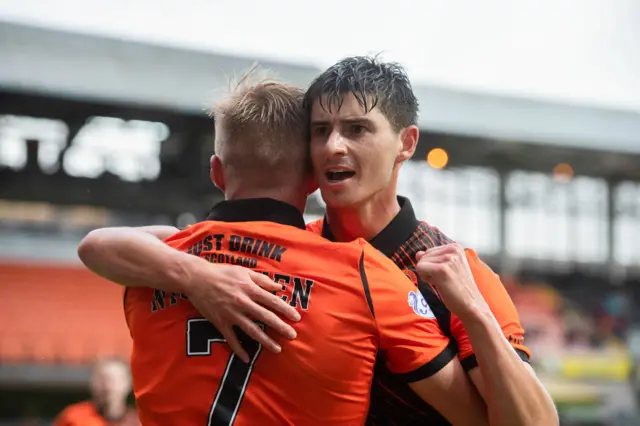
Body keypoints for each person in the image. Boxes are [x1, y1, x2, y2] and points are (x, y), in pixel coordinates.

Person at [78, 74, 487, 425]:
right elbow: (475, 417)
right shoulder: (366, 273)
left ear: (217, 172)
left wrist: (193, 272)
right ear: (313, 178)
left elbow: (97, 244)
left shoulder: (149, 268)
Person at [302, 55, 558, 426]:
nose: (333, 146)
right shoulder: (289, 249)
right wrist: (189, 271)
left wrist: (473, 310)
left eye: (357, 129)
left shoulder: (459, 273)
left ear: (406, 143)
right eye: (320, 130)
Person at [54, 358, 139, 426]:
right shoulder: (72, 419)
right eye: (103, 379)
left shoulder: (138, 423)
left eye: (115, 380)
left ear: (127, 384)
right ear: (93, 382)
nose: (109, 386)